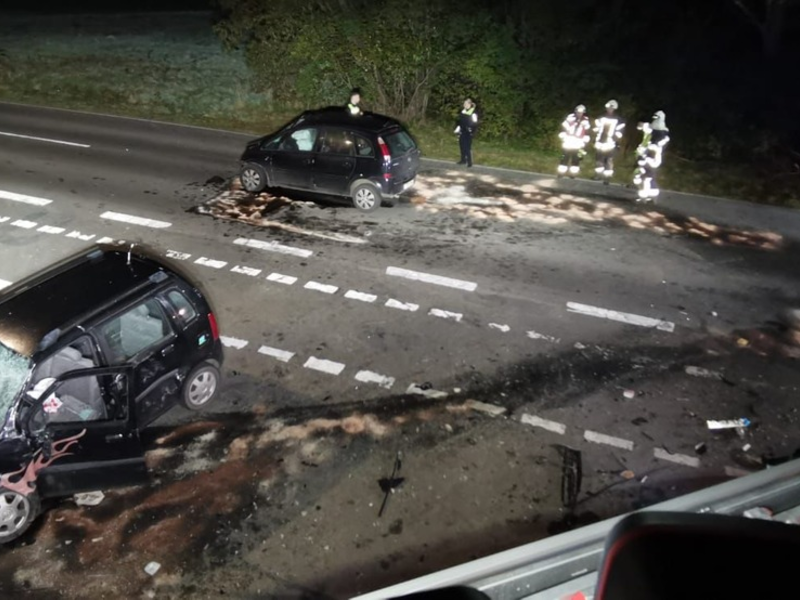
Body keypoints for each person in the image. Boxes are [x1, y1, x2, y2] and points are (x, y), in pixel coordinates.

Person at [633, 110, 670, 202]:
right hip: (647, 158)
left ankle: (645, 197)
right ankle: (649, 196)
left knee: (646, 177)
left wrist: (644, 156)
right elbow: (642, 126)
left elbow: (654, 147)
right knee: (644, 176)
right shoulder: (652, 129)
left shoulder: (662, 134)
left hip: (652, 159)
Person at [593, 99, 625, 184]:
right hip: (600, 142)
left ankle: (607, 178)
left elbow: (619, 132)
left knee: (609, 160)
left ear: (614, 108)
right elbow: (597, 128)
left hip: (610, 143)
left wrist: (614, 139)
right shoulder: (601, 117)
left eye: (611, 108)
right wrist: (595, 133)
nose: (609, 109)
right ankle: (598, 175)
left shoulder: (618, 120)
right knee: (599, 160)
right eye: (608, 108)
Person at [557, 105, 592, 178]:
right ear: (575, 111)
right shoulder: (570, 118)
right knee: (564, 157)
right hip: (568, 140)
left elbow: (587, 132)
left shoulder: (585, 121)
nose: (579, 114)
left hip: (578, 142)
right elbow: (563, 127)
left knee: (576, 159)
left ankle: (573, 174)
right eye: (578, 112)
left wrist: (584, 142)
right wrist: (563, 136)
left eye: (581, 113)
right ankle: (561, 173)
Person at [454, 98, 478, 167]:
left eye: (466, 104)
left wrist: (471, 130)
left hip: (468, 132)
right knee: (461, 145)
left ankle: (469, 162)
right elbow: (459, 121)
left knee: (467, 147)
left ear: (470, 104)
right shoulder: (463, 111)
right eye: (464, 104)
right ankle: (463, 160)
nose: (464, 105)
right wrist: (457, 128)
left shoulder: (473, 112)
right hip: (462, 131)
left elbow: (475, 123)